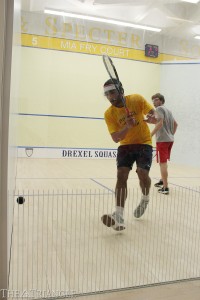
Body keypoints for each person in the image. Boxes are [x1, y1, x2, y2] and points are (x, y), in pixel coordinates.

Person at [101, 79, 155, 231]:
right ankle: (118, 214)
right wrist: (127, 126)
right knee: (121, 175)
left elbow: (154, 115)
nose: (109, 96)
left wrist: (153, 118)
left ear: (120, 90)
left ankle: (145, 198)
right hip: (125, 146)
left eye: (112, 92)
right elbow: (116, 138)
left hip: (144, 142)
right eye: (106, 94)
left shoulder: (136, 99)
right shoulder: (109, 113)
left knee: (142, 173)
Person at [149, 93, 178, 195]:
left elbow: (160, 123)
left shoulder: (159, 109)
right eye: (153, 100)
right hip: (170, 140)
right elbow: (175, 124)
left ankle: (165, 188)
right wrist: (171, 134)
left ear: (161, 101)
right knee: (164, 162)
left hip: (162, 141)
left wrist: (150, 135)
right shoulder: (168, 111)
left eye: (156, 100)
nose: (154, 102)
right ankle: (162, 181)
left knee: (163, 163)